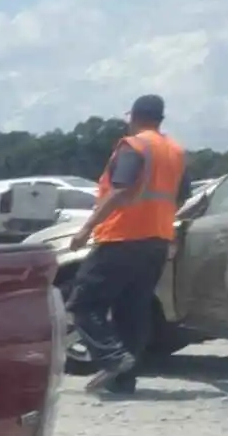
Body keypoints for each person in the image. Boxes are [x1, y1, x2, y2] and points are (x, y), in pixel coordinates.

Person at [68, 94, 188, 396]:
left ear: (133, 116)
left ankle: (112, 358)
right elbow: (181, 196)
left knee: (83, 303)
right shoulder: (174, 152)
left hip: (122, 237)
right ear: (160, 119)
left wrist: (86, 229)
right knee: (132, 310)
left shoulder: (134, 147)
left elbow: (119, 191)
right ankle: (124, 380)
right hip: (157, 240)